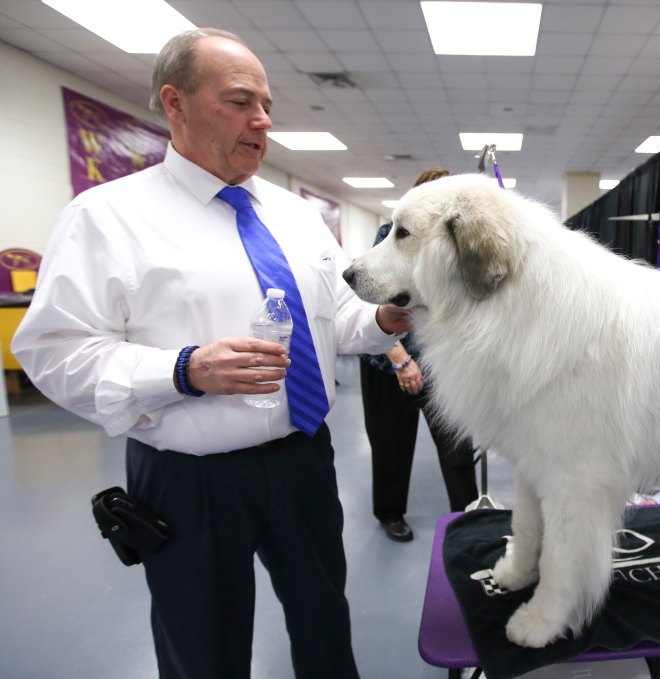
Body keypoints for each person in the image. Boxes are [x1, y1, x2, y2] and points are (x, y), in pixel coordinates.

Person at [11, 28, 410, 679]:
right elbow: (54, 351)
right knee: (203, 646)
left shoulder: (296, 216)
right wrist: (181, 370)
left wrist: (384, 318)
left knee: (324, 626)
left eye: (267, 105)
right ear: (176, 103)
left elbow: (334, 320)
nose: (263, 121)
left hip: (303, 459)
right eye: (239, 101)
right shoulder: (107, 217)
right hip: (188, 481)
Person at [360, 167, 479, 542]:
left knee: (457, 446)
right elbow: (377, 308)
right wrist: (401, 360)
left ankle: (467, 514)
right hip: (388, 362)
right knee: (391, 444)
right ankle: (390, 513)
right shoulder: (392, 238)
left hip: (438, 365)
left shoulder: (453, 247)